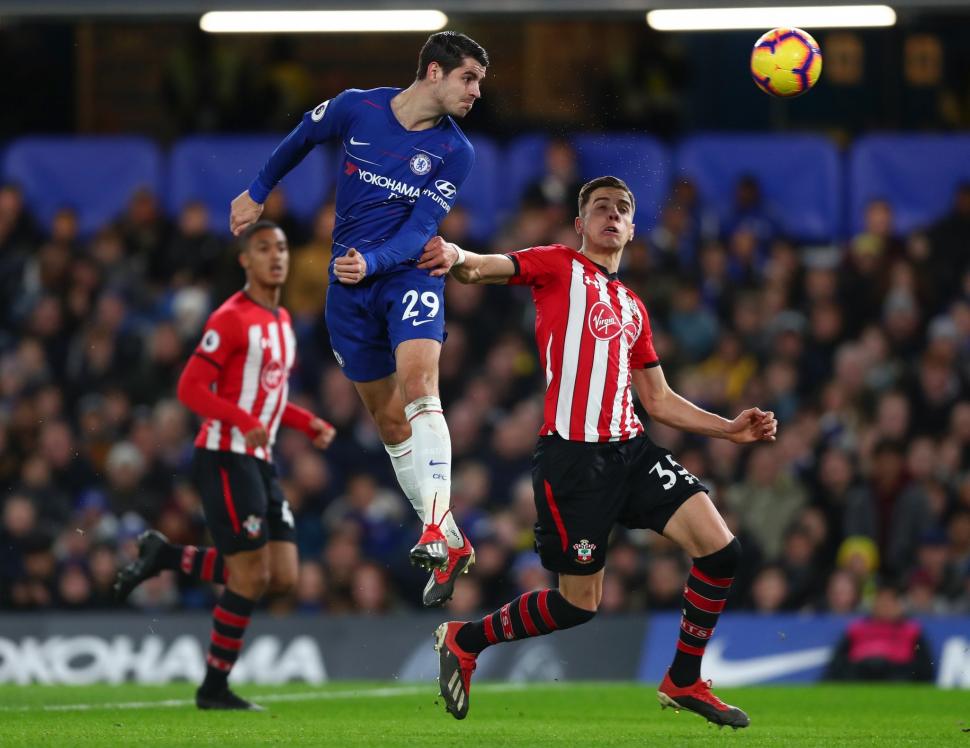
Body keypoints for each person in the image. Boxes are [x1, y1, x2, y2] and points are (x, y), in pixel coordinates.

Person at [420, 176, 777, 728]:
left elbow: (656, 398)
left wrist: (728, 429)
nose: (612, 214)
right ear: (580, 224)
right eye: (600, 207)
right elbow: (487, 267)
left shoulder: (633, 306)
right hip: (573, 462)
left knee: (721, 551)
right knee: (578, 605)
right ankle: (466, 639)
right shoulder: (558, 264)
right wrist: (456, 254)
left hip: (631, 451)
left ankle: (683, 677)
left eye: (623, 209)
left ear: (632, 230)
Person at [228, 31, 489, 607]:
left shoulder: (456, 150)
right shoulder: (357, 106)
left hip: (406, 275)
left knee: (422, 389)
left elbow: (422, 229)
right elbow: (302, 136)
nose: (476, 92)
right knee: (390, 422)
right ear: (433, 72)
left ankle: (435, 521)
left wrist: (372, 261)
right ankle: (446, 537)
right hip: (348, 291)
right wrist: (258, 190)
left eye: (480, 83)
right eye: (468, 78)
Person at [114, 221, 336, 710]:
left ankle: (167, 556)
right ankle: (213, 688)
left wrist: (305, 422)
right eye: (263, 249)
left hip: (259, 458)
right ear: (245, 260)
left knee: (282, 575)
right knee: (250, 575)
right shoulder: (230, 318)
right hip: (225, 455)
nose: (276, 256)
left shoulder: (281, 321)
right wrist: (240, 421)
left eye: (281, 248)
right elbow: (190, 387)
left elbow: (269, 398)